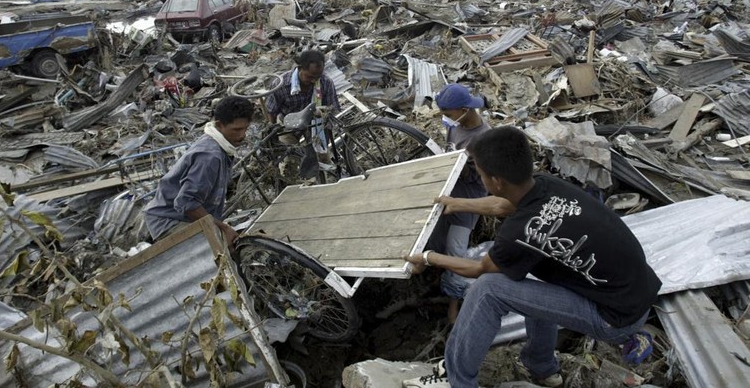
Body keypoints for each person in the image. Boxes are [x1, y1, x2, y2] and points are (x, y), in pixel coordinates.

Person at [403, 126, 661, 388]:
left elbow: (479, 268)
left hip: (614, 318)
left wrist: (427, 257)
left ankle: (455, 380)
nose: (481, 181)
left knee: (488, 290)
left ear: (496, 182)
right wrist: (457, 203)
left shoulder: (519, 232)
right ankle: (542, 368)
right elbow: (503, 204)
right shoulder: (545, 184)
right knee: (534, 275)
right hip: (634, 295)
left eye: (481, 175)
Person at [143, 96, 254, 244]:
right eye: (237, 129)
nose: (242, 135)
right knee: (217, 253)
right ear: (220, 125)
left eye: (245, 129)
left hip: (181, 215)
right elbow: (186, 202)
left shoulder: (220, 147)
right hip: (170, 220)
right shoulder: (210, 157)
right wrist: (223, 228)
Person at [426, 83, 491, 325]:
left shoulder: (484, 138)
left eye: (447, 114)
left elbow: (485, 177)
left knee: (457, 251)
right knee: (438, 239)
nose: (446, 120)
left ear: (464, 109)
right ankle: (438, 279)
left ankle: (454, 304)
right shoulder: (458, 125)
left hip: (468, 200)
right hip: (449, 190)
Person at [265, 49, 340, 129]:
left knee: (322, 138)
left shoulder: (325, 82)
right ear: (300, 68)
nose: (314, 80)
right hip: (289, 124)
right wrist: (273, 129)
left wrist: (324, 115)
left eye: (317, 77)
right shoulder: (281, 85)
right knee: (286, 140)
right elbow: (271, 111)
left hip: (315, 123)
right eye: (310, 77)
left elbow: (332, 108)